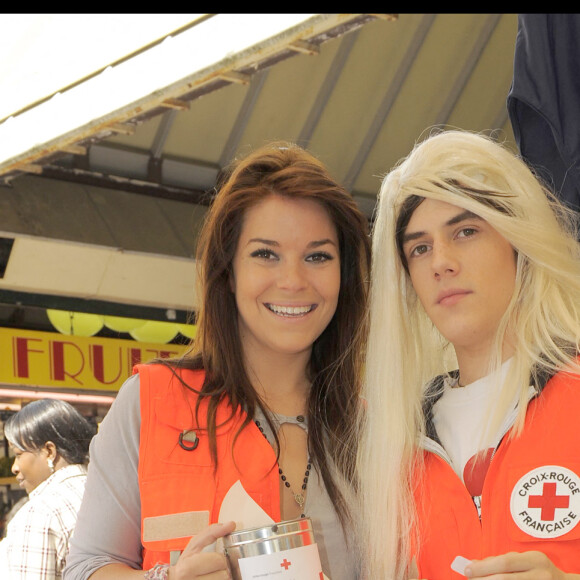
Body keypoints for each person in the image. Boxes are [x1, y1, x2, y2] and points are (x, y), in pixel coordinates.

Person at [63, 141, 371, 580]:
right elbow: (86, 567)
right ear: (227, 272)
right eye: (266, 254)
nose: (293, 280)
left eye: (318, 256)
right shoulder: (152, 402)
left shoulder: (372, 427)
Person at [357, 129, 580, 579]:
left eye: (466, 231)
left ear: (519, 245)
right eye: (420, 248)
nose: (441, 261)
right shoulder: (389, 444)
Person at [0, 398, 96, 578]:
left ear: (49, 452)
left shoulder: (39, 514)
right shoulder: (106, 494)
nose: (14, 467)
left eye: (18, 454)